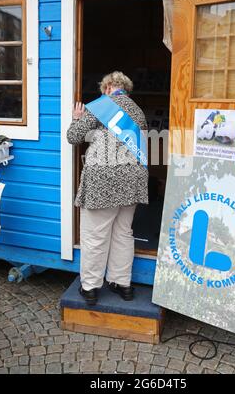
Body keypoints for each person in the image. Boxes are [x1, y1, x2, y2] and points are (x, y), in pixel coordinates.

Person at [66, 71, 149, 305]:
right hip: (132, 180)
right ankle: (122, 284)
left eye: (104, 88)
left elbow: (73, 137)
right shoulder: (138, 111)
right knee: (123, 232)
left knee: (95, 235)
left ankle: (90, 287)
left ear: (109, 87)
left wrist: (76, 118)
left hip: (103, 180)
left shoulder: (101, 106)